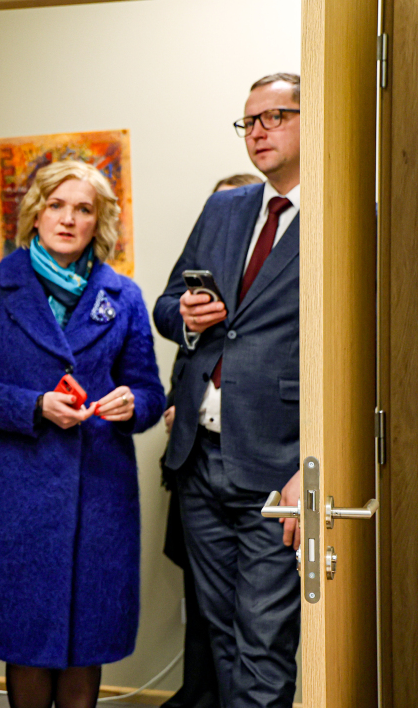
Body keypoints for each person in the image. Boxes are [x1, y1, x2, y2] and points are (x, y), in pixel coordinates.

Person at [0, 160, 165, 708]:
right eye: (57, 205)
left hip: (100, 498)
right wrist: (35, 406)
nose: (68, 219)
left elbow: (150, 393)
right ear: (35, 213)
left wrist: (132, 404)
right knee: (24, 642)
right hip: (17, 497)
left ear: (99, 222)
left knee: (87, 645)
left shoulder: (123, 296)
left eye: (83, 209)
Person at [153, 73, 302, 708]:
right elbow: (165, 307)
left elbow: (356, 356)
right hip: (199, 460)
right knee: (218, 639)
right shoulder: (225, 208)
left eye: (276, 117)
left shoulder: (342, 212)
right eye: (249, 122)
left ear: (313, 121)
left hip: (276, 465)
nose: (258, 132)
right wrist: (187, 316)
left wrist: (311, 466)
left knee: (263, 644)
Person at [160, 172, 259, 708]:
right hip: (195, 457)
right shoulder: (206, 274)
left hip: (262, 460)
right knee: (210, 615)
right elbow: (170, 318)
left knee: (259, 626)